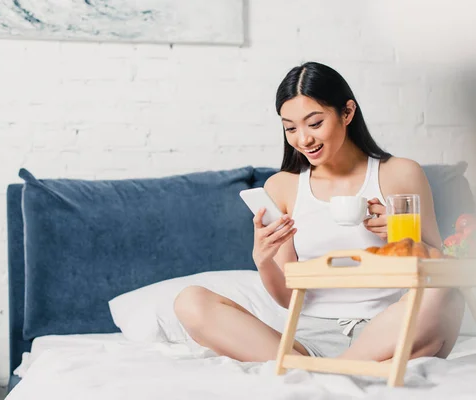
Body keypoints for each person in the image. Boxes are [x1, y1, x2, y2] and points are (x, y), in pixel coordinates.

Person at [173, 61, 465, 362]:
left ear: (347, 113)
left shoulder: (400, 173)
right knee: (190, 301)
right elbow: (288, 298)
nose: (303, 139)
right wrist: (262, 260)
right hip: (307, 340)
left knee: (446, 293)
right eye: (290, 128)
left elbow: (439, 268)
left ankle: (325, 369)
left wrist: (401, 240)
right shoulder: (282, 186)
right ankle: (330, 367)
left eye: (314, 123)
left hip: (386, 330)